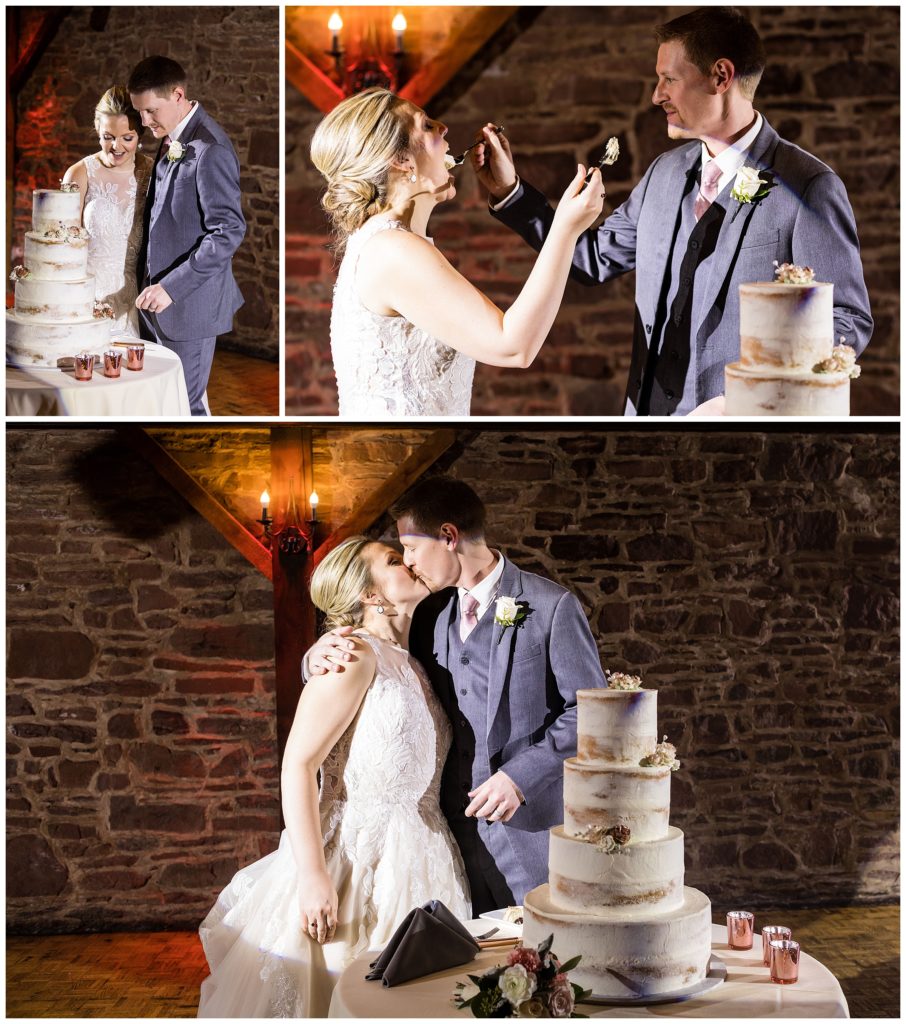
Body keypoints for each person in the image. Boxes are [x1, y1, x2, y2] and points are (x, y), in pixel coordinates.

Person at [476, 6, 873, 416]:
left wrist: (745, 399)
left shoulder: (808, 186)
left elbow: (846, 321)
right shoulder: (662, 174)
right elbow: (589, 261)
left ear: (721, 76)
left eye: (669, 79)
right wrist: (511, 193)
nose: (656, 95)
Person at [307, 478, 609, 913]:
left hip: (530, 837)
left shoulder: (550, 606)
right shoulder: (428, 612)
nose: (408, 563)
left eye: (410, 548)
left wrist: (519, 777)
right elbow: (374, 651)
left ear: (448, 536)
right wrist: (316, 656)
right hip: (447, 845)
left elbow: (593, 711)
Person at [198, 537, 469, 1018]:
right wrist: (312, 876)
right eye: (392, 560)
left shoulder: (414, 660)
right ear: (369, 594)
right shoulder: (351, 655)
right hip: (354, 861)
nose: (407, 562)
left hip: (422, 857)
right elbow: (298, 765)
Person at [309, 88, 606, 416]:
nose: (444, 128)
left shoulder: (388, 242)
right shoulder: (393, 250)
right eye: (427, 125)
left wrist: (510, 191)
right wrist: (565, 228)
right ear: (401, 160)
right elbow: (513, 347)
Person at [128, 56, 245, 416]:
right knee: (157, 404)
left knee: (184, 408)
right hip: (153, 304)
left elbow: (227, 232)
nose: (145, 122)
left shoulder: (211, 150)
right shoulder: (173, 137)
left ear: (178, 95)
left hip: (187, 307)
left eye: (151, 111)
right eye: (140, 113)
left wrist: (170, 288)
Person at [62, 86, 152, 337]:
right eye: (108, 136)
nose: (116, 146)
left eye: (127, 137)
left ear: (139, 134)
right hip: (87, 298)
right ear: (97, 130)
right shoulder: (79, 174)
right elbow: (63, 245)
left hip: (133, 300)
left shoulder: (152, 174)